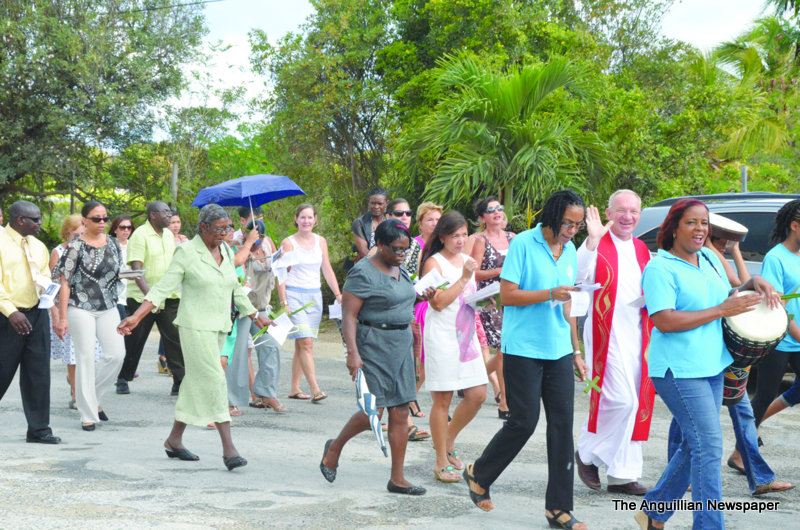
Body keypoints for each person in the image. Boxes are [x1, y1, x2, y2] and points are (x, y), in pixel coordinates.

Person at [634, 198, 778, 530]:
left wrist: (752, 285)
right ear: (673, 229)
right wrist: (720, 311)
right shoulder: (660, 267)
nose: (700, 229)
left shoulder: (710, 259)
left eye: (704, 223)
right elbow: (665, 320)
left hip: (713, 365)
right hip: (678, 370)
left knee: (694, 444)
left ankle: (653, 512)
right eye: (691, 223)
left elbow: (726, 295)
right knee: (709, 447)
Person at [463, 190, 589, 530]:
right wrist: (550, 293)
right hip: (523, 349)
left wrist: (576, 350)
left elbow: (568, 304)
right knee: (524, 421)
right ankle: (479, 472)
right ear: (552, 215)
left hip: (559, 349)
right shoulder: (523, 244)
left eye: (578, 225)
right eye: (568, 223)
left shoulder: (570, 250)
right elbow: (507, 295)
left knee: (562, 427)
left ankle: (558, 509)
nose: (572, 230)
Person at [118, 204, 269, 471]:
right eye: (219, 228)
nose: (225, 233)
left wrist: (256, 316)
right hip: (194, 326)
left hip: (220, 326)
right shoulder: (186, 251)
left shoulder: (223, 249)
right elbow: (164, 286)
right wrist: (137, 317)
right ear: (203, 227)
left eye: (228, 228)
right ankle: (229, 449)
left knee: (194, 383)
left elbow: (233, 287)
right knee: (214, 378)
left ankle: (174, 440)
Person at [320, 220, 435, 495]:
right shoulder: (363, 273)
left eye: (405, 249)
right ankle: (334, 447)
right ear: (379, 245)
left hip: (401, 344)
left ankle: (397, 478)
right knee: (374, 409)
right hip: (373, 344)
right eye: (395, 249)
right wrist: (353, 354)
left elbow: (399, 299)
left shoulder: (400, 267)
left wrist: (421, 298)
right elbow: (349, 316)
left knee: (400, 410)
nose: (401, 254)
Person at [702, 222, 793, 496]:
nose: (726, 244)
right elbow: (736, 284)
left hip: (728, 354)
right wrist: (716, 248)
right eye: (723, 239)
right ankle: (685, 474)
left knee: (742, 412)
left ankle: (760, 477)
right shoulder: (704, 255)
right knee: (695, 416)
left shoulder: (716, 257)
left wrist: (736, 251)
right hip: (708, 351)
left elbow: (740, 282)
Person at [574, 190, 654, 496]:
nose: (628, 217)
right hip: (604, 333)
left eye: (634, 211)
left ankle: (623, 475)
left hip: (637, 333)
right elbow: (578, 279)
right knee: (623, 401)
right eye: (622, 210)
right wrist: (592, 241)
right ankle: (586, 452)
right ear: (608, 212)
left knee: (636, 404)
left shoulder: (641, 248)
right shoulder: (597, 243)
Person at [420, 211, 488, 483]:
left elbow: (467, 299)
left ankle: (447, 439)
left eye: (464, 235)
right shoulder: (433, 264)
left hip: (467, 336)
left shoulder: (467, 262)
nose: (461, 241)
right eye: (455, 236)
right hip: (443, 336)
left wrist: (484, 301)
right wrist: (462, 278)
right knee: (443, 399)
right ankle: (440, 461)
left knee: (478, 395)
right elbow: (438, 303)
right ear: (442, 237)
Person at [53, 201, 126, 432]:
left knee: (117, 355)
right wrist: (62, 317)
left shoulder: (114, 244)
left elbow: (116, 273)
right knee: (84, 358)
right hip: (80, 305)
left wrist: (129, 276)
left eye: (105, 218)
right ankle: (87, 412)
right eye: (97, 218)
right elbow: (64, 284)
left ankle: (89, 395)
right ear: (84, 220)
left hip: (108, 305)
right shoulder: (75, 247)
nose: (102, 222)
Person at [0, 200, 61, 444]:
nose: (39, 223)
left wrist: (48, 294)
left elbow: (44, 275)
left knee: (38, 374)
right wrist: (11, 311)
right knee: (2, 371)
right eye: (35, 219)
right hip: (7, 316)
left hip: (37, 314)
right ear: (19, 221)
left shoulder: (38, 246)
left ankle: (39, 430)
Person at [116, 201, 184, 396]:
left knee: (174, 340)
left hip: (169, 295)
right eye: (165, 212)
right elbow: (137, 270)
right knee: (135, 340)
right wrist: (150, 298)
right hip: (142, 297)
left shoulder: (169, 234)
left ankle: (179, 382)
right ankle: (123, 377)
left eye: (170, 212)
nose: (169, 215)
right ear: (153, 215)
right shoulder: (140, 235)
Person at [277, 203, 342, 402]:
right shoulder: (288, 243)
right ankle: (315, 389)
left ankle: (294, 388)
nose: (306, 221)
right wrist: (284, 301)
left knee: (303, 343)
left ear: (315, 220)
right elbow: (281, 272)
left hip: (314, 296)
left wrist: (338, 294)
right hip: (295, 295)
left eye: (310, 217)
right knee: (305, 342)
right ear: (296, 219)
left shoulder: (320, 241)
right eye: (302, 217)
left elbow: (327, 269)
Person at [750, 200, 800, 429]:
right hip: (779, 340)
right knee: (765, 394)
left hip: (797, 341)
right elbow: (779, 307)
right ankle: (742, 448)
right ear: (795, 226)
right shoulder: (775, 258)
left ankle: (747, 440)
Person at [49, 215, 102, 410]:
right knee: (73, 354)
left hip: (90, 307)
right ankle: (76, 394)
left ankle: (87, 390)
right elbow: (54, 285)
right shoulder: (59, 252)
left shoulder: (93, 248)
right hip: (68, 308)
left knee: (89, 353)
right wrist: (56, 313)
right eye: (76, 235)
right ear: (67, 233)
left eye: (83, 234)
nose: (80, 238)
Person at [470, 196, 514, 420]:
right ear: (482, 217)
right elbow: (473, 272)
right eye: (490, 210)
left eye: (499, 208)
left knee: (504, 352)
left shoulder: (513, 238)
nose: (497, 212)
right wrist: (499, 271)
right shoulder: (480, 240)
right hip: (489, 300)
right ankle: (504, 402)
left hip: (512, 298)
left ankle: (472, 378)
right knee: (502, 351)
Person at [239, 219, 285, 413]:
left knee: (271, 347)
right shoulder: (237, 248)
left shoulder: (267, 245)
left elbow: (279, 271)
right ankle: (232, 399)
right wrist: (247, 250)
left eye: (261, 236)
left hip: (262, 307)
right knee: (237, 354)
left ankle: (267, 393)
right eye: (255, 235)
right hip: (241, 308)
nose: (259, 240)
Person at [411, 202, 442, 395]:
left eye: (438, 220)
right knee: (421, 356)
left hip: (441, 299)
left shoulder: (443, 243)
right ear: (420, 223)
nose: (434, 223)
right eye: (429, 219)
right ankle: (409, 398)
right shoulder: (415, 245)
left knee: (435, 358)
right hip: (420, 301)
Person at [108, 215, 135, 320]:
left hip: (132, 295)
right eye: (122, 227)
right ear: (115, 229)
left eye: (129, 227)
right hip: (115, 296)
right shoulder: (108, 246)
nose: (126, 230)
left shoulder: (134, 245)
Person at [351, 187, 388, 262]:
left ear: (387, 204)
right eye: (373, 203)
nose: (376, 207)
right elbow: (364, 253)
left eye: (380, 204)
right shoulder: (360, 223)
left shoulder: (388, 223)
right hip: (366, 266)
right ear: (369, 203)